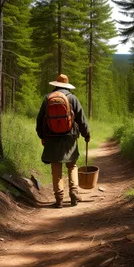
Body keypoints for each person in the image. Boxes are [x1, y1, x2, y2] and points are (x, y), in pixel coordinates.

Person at [36, 74, 90, 208]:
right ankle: (73, 192)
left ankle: (59, 198)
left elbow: (40, 120)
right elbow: (81, 119)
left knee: (56, 168)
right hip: (70, 138)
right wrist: (86, 134)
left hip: (52, 138)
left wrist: (42, 136)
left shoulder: (47, 99)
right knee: (72, 166)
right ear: (67, 86)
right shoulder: (72, 98)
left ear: (55, 85)